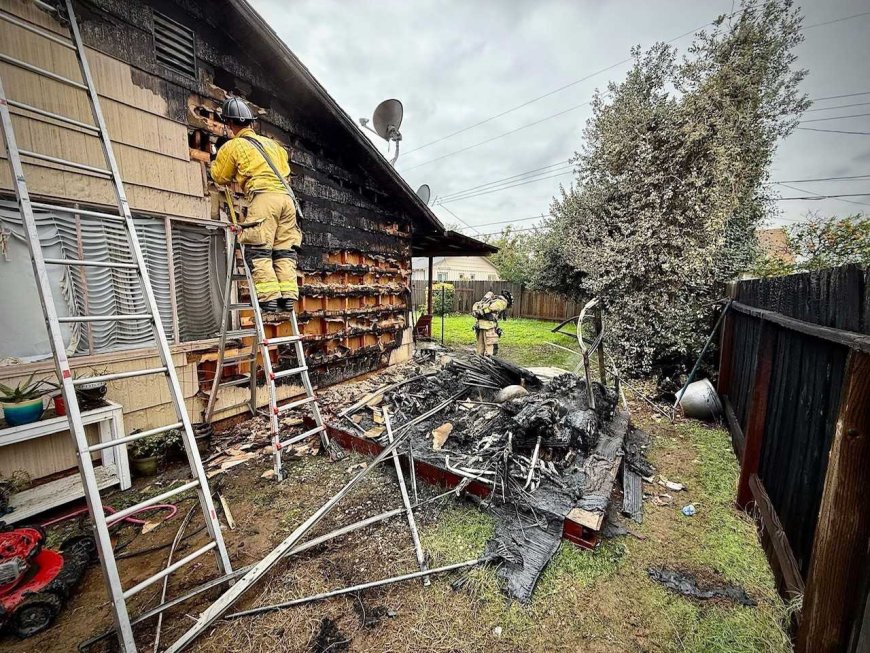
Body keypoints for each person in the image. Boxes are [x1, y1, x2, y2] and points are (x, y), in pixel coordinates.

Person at [210, 97, 301, 314]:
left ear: (229, 123)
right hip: (288, 201)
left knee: (260, 249)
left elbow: (220, 177)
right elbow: (284, 171)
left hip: (264, 199)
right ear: (251, 122)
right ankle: (288, 296)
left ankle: (269, 299)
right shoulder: (275, 146)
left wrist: (216, 157)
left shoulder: (233, 146)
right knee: (283, 251)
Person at [471, 290, 512, 356]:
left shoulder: (481, 303)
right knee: (490, 347)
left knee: (481, 346)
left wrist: (480, 311)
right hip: (489, 327)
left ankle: (480, 361)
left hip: (480, 326)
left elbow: (476, 309)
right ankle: (488, 362)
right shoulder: (500, 302)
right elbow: (492, 308)